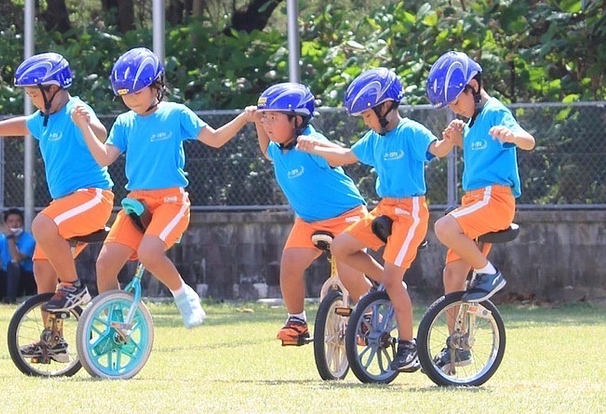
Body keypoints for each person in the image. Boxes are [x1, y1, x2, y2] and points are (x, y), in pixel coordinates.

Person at [79, 47, 252, 329]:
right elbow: (103, 158)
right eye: (124, 94)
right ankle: (115, 323)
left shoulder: (176, 114)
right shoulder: (124, 122)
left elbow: (216, 139)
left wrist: (244, 118)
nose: (130, 99)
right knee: (105, 263)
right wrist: (85, 127)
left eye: (136, 91)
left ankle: (185, 297)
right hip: (136, 203)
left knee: (149, 253)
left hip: (171, 203)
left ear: (156, 86)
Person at [0, 52, 115, 360]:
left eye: (33, 93)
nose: (31, 99)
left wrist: (85, 122)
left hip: (93, 197)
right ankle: (54, 342)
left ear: (54, 88)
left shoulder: (74, 108)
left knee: (41, 225)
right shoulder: (43, 120)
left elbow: (101, 133)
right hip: (67, 204)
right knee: (42, 266)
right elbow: (21, 125)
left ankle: (73, 286)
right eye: (28, 94)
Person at [296, 68, 454, 372]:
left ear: (385, 107)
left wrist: (451, 139)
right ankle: (384, 285)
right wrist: (314, 146)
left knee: (395, 281)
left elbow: (437, 150)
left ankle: (407, 347)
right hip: (384, 209)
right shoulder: (374, 138)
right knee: (342, 247)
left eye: (368, 115)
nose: (365, 121)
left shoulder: (410, 131)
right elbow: (343, 155)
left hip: (410, 212)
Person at [426, 51, 535, 368]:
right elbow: (480, 156)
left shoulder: (495, 112)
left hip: (495, 199)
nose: (452, 107)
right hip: (474, 201)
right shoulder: (473, 123)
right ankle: (458, 346)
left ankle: (490, 274)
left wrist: (512, 134)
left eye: (455, 99)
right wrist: (459, 140)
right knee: (452, 273)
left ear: (473, 86)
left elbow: (527, 140)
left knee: (444, 227)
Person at [246, 82, 372, 345]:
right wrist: (258, 123)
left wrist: (318, 148)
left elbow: (339, 157)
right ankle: (297, 320)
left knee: (350, 273)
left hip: (347, 215)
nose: (268, 123)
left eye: (274, 117)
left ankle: (369, 314)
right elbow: (266, 151)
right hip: (309, 222)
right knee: (289, 266)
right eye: (265, 117)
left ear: (297, 119)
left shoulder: (310, 142)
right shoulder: (279, 148)